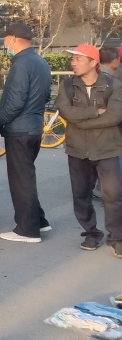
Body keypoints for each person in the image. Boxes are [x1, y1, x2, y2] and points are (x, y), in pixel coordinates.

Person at [53, 44, 122, 256]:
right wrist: (94, 113)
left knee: (114, 195)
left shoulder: (114, 85)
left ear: (94, 62)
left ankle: (117, 237)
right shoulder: (68, 85)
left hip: (107, 148)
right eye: (72, 59)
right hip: (77, 149)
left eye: (78, 59)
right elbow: (65, 110)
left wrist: (80, 121)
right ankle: (91, 233)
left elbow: (115, 116)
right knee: (81, 194)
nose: (73, 63)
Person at [0, 22, 53, 243]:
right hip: (35, 126)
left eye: (6, 38)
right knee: (26, 176)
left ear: (13, 39)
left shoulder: (21, 64)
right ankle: (39, 220)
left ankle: (27, 230)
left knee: (21, 179)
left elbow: (15, 100)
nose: (5, 43)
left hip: (19, 128)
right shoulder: (40, 61)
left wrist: (1, 123)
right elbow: (46, 95)